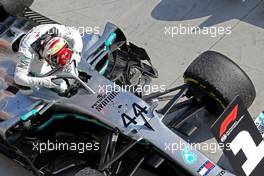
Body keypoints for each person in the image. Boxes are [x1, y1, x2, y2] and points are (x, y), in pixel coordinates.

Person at [14, 24, 83, 93]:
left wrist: (76, 56)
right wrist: (43, 82)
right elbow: (18, 78)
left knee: (74, 45)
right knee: (59, 85)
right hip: (35, 56)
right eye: (54, 59)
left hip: (40, 36)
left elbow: (76, 34)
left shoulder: (55, 29)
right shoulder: (26, 52)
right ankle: (60, 89)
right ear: (47, 56)